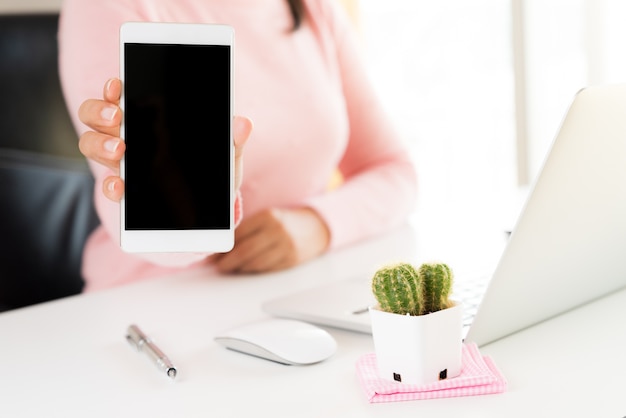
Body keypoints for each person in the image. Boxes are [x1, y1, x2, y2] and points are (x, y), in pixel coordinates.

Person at [59, 0, 418, 292]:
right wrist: (192, 210)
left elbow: (394, 171)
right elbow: (148, 230)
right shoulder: (106, 6)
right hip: (154, 300)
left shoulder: (315, 8)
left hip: (293, 290)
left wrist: (318, 224)